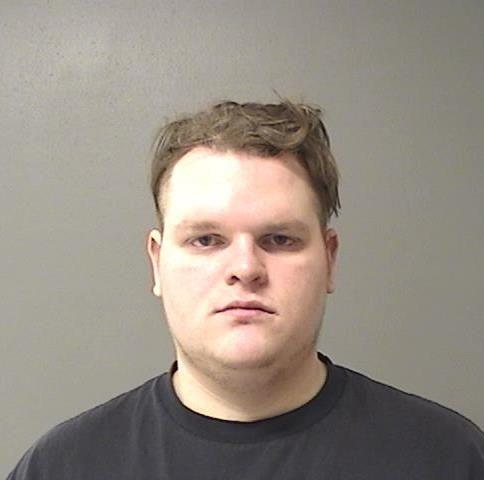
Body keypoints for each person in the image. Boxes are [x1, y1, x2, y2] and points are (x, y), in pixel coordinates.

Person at [8, 99, 484, 479]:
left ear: (329, 259)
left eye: (279, 239)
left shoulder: (448, 458)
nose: (245, 268)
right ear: (157, 262)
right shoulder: (62, 467)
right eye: (206, 240)